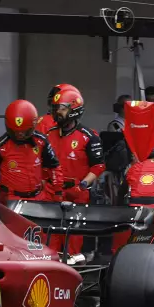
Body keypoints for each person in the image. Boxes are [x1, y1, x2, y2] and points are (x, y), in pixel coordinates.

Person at [47, 88, 105, 255]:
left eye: (62, 108)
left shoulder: (88, 136)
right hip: (51, 194)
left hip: (77, 193)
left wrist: (82, 186)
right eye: (56, 108)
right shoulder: (48, 135)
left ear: (74, 110)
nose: (58, 112)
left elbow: (98, 167)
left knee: (72, 244)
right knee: (50, 241)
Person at [0, 100, 62, 204]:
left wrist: (57, 191)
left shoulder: (41, 141)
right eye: (16, 132)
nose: (20, 135)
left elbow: (54, 167)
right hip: (11, 199)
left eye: (24, 132)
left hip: (38, 198)